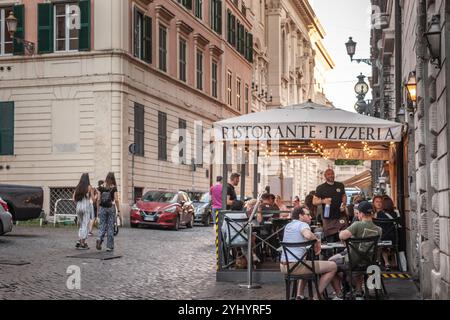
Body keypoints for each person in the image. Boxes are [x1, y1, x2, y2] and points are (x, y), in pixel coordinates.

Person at [280, 207, 338, 300]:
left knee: (306, 263)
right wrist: (316, 241)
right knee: (333, 266)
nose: (310, 217)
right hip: (296, 266)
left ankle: (299, 295)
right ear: (300, 216)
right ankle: (316, 297)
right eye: (308, 215)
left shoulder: (288, 226)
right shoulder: (302, 224)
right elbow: (307, 235)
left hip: (284, 266)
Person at [329, 201, 382, 299]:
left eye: (358, 213)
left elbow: (342, 235)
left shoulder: (357, 224)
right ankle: (358, 290)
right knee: (358, 261)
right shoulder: (379, 229)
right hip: (369, 262)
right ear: (372, 213)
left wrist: (342, 233)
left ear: (361, 214)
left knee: (330, 263)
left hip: (352, 261)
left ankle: (339, 293)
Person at [313, 169, 348, 243]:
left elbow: (344, 196)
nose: (331, 175)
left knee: (343, 238)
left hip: (341, 216)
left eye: (332, 174)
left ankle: (342, 253)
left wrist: (344, 204)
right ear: (325, 176)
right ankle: (330, 254)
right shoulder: (320, 188)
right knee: (330, 240)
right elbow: (314, 201)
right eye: (329, 174)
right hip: (328, 218)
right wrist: (323, 201)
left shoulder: (340, 185)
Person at [96, 172, 120, 252]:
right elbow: (116, 200)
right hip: (111, 208)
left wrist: (98, 210)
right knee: (110, 227)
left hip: (102, 207)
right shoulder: (114, 188)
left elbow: (98, 199)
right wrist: (118, 210)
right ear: (113, 179)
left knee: (102, 225)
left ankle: (99, 238)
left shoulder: (101, 187)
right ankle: (109, 247)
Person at [376, 195, 399, 271]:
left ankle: (386, 263)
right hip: (394, 238)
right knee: (391, 243)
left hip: (383, 238)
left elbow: (377, 228)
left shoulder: (379, 214)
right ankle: (394, 262)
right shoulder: (395, 213)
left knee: (381, 243)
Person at [73, 173, 95, 250]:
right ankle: (82, 242)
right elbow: (93, 199)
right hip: (86, 207)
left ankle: (79, 240)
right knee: (85, 224)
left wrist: (78, 203)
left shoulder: (78, 187)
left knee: (81, 224)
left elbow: (73, 199)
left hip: (78, 207)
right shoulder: (89, 187)